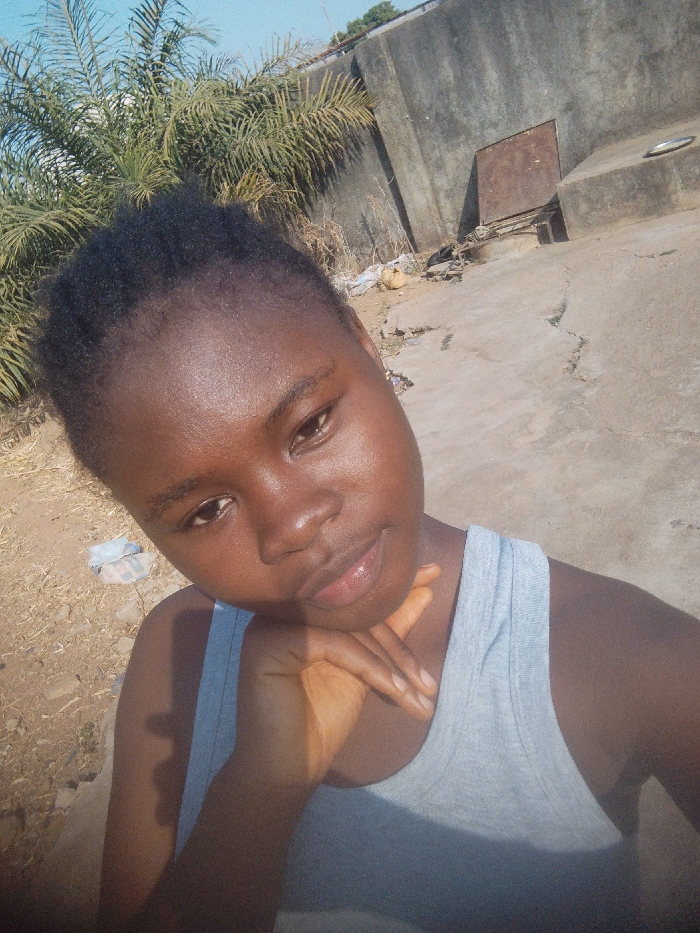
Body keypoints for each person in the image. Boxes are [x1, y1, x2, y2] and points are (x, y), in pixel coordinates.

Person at [35, 188, 700, 933]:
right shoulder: (177, 656)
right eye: (205, 511)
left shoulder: (633, 659)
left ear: (366, 344)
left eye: (310, 425)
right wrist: (260, 788)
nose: (292, 525)